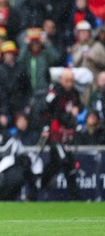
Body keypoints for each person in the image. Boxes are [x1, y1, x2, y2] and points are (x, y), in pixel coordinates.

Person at [40, 68, 83, 200]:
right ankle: (40, 184)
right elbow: (44, 110)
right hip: (54, 133)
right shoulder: (55, 91)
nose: (69, 83)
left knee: (62, 162)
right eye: (66, 80)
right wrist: (45, 128)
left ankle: (41, 184)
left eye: (71, 81)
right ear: (61, 80)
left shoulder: (74, 93)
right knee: (64, 161)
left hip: (66, 134)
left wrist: (77, 108)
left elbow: (80, 105)